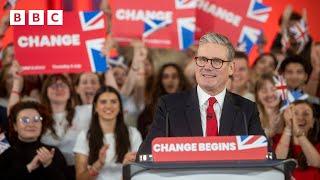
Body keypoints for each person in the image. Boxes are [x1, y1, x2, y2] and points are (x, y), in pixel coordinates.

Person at [137, 32, 266, 155]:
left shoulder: (246, 110)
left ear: (231, 68)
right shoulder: (169, 106)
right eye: (203, 59)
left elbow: (266, 156)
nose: (207, 67)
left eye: (216, 61)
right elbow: (147, 155)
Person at [73, 86, 142, 180]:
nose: (109, 106)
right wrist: (98, 164)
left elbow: (140, 174)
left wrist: (127, 167)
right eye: (103, 102)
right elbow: (80, 178)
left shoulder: (133, 134)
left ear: (120, 107)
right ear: (95, 107)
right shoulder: (84, 136)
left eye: (113, 102)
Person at [0, 101, 68, 180]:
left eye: (36, 119)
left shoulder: (53, 152)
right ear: (15, 126)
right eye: (25, 120)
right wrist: (29, 168)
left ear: (41, 124)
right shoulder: (7, 155)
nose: (31, 124)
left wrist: (49, 165)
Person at [137, 63, 191, 139]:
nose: (170, 80)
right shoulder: (151, 108)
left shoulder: (191, 104)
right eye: (166, 77)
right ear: (161, 81)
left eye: (174, 76)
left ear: (181, 80)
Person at [276, 100, 320, 180]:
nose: (300, 117)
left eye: (306, 114)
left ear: (312, 122)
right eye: (295, 113)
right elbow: (277, 161)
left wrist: (298, 132)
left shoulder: (318, 145)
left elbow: (316, 163)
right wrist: (288, 127)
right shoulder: (278, 139)